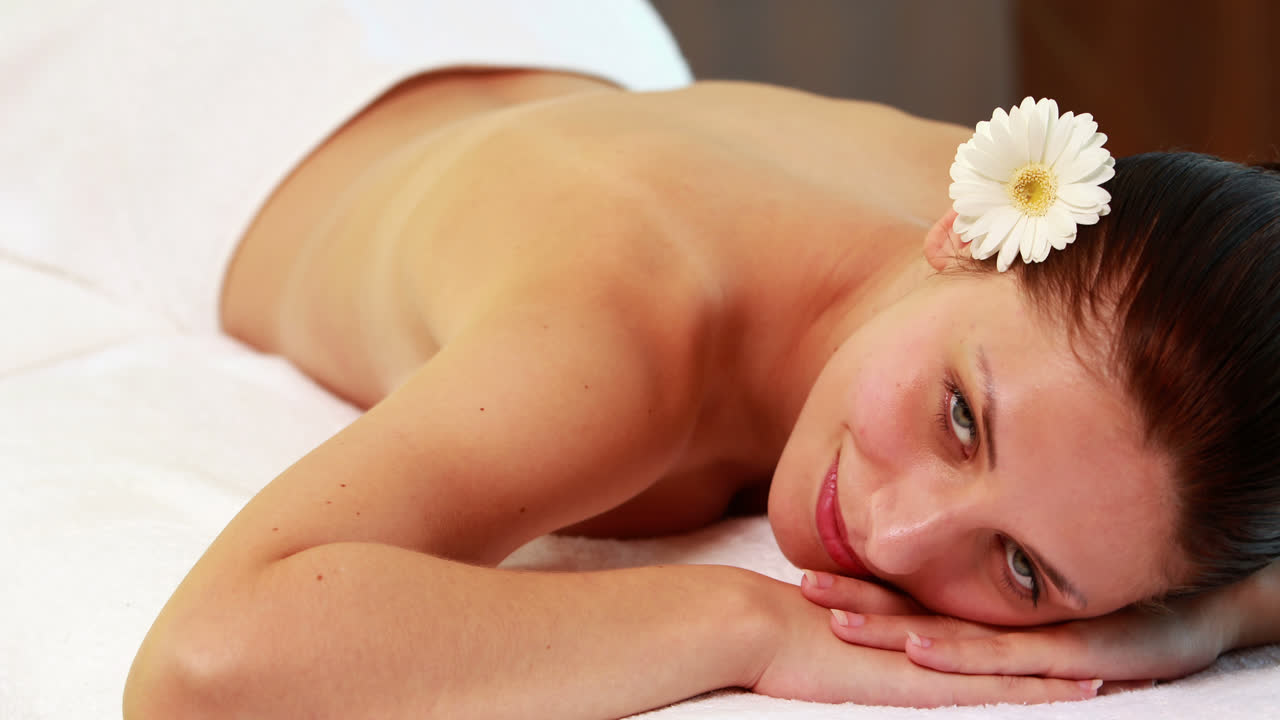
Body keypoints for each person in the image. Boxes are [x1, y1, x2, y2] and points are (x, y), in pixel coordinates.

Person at [108, 10, 1280, 720]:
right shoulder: (614, 338)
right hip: (185, 73)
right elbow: (207, 669)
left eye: (1021, 569)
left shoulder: (1076, 289)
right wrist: (745, 625)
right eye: (961, 421)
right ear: (961, 234)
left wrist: (1206, 624)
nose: (897, 535)